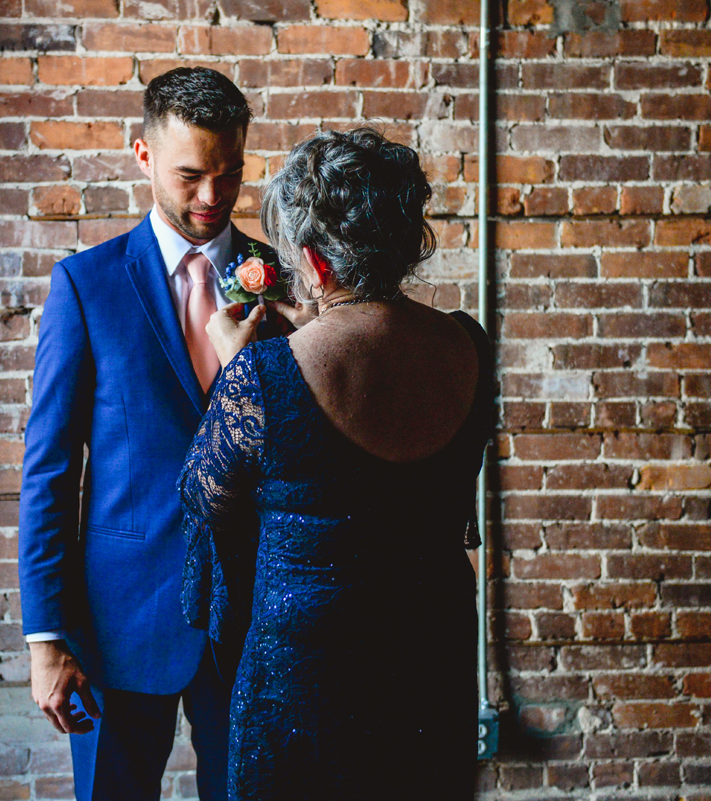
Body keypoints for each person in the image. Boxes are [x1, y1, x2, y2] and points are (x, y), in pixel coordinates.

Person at [178, 127, 492, 800]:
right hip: (431, 651)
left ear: (314, 263)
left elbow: (203, 494)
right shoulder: (468, 344)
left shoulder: (262, 374)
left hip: (309, 675)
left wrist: (242, 368)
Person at [18, 67, 277, 801]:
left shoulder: (281, 281)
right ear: (142, 156)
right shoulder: (86, 286)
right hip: (119, 622)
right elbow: (49, 472)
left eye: (229, 175)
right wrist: (46, 639)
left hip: (253, 618)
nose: (210, 197)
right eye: (190, 174)